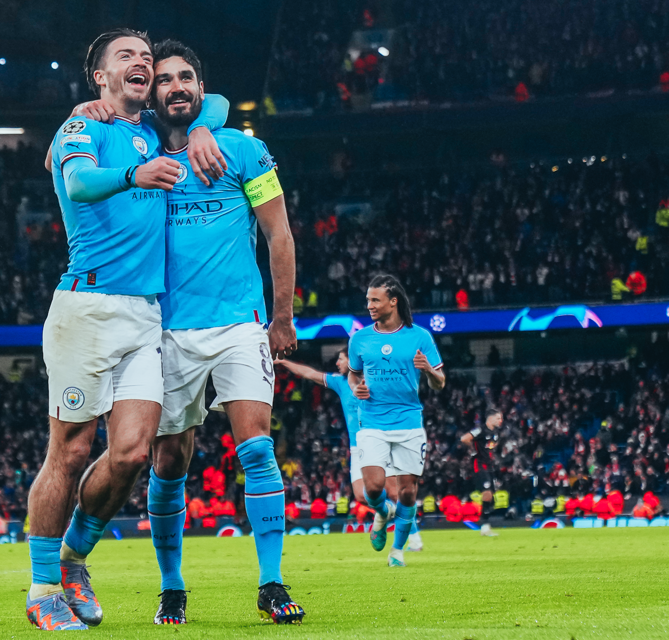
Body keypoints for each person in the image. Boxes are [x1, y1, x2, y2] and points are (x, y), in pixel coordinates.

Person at [26, 28, 229, 631]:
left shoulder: (153, 131)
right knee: (69, 451)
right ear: (100, 76)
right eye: (127, 57)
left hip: (145, 315)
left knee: (135, 451)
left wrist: (200, 128)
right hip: (87, 308)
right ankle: (42, 589)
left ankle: (72, 559)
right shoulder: (82, 127)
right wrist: (134, 175)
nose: (142, 63)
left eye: (147, 58)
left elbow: (215, 102)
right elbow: (77, 182)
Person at [126, 40, 302, 626]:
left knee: (257, 448)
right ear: (152, 93)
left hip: (238, 325)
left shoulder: (242, 150)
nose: (176, 86)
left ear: (201, 88)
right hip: (167, 331)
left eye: (186, 78)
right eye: (164, 79)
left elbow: (279, 234)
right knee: (169, 459)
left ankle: (271, 583)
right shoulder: (140, 149)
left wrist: (282, 317)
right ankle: (172, 587)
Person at [278, 348, 424, 552]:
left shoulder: (377, 379)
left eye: (340, 359)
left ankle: (415, 539)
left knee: (394, 492)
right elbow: (310, 374)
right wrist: (284, 363)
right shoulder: (340, 382)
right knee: (362, 495)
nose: (337, 363)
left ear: (352, 360)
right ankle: (385, 512)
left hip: (381, 442)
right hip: (358, 448)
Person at [348, 274, 445, 568]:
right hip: (372, 422)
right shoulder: (360, 339)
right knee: (373, 488)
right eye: (368, 300)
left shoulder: (420, 337)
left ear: (393, 301)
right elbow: (353, 374)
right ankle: (381, 512)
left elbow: (440, 383)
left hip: (409, 423)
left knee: (408, 492)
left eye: (375, 300)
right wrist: (356, 388)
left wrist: (428, 370)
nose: (369, 305)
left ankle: (397, 552)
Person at [461, 410, 502, 537]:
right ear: (490, 418)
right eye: (498, 418)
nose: (500, 421)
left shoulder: (495, 433)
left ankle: (485, 525)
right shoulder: (480, 430)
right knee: (487, 493)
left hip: (489, 466)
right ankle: (484, 526)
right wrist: (473, 449)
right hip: (480, 465)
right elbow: (464, 438)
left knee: (490, 495)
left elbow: (492, 446)